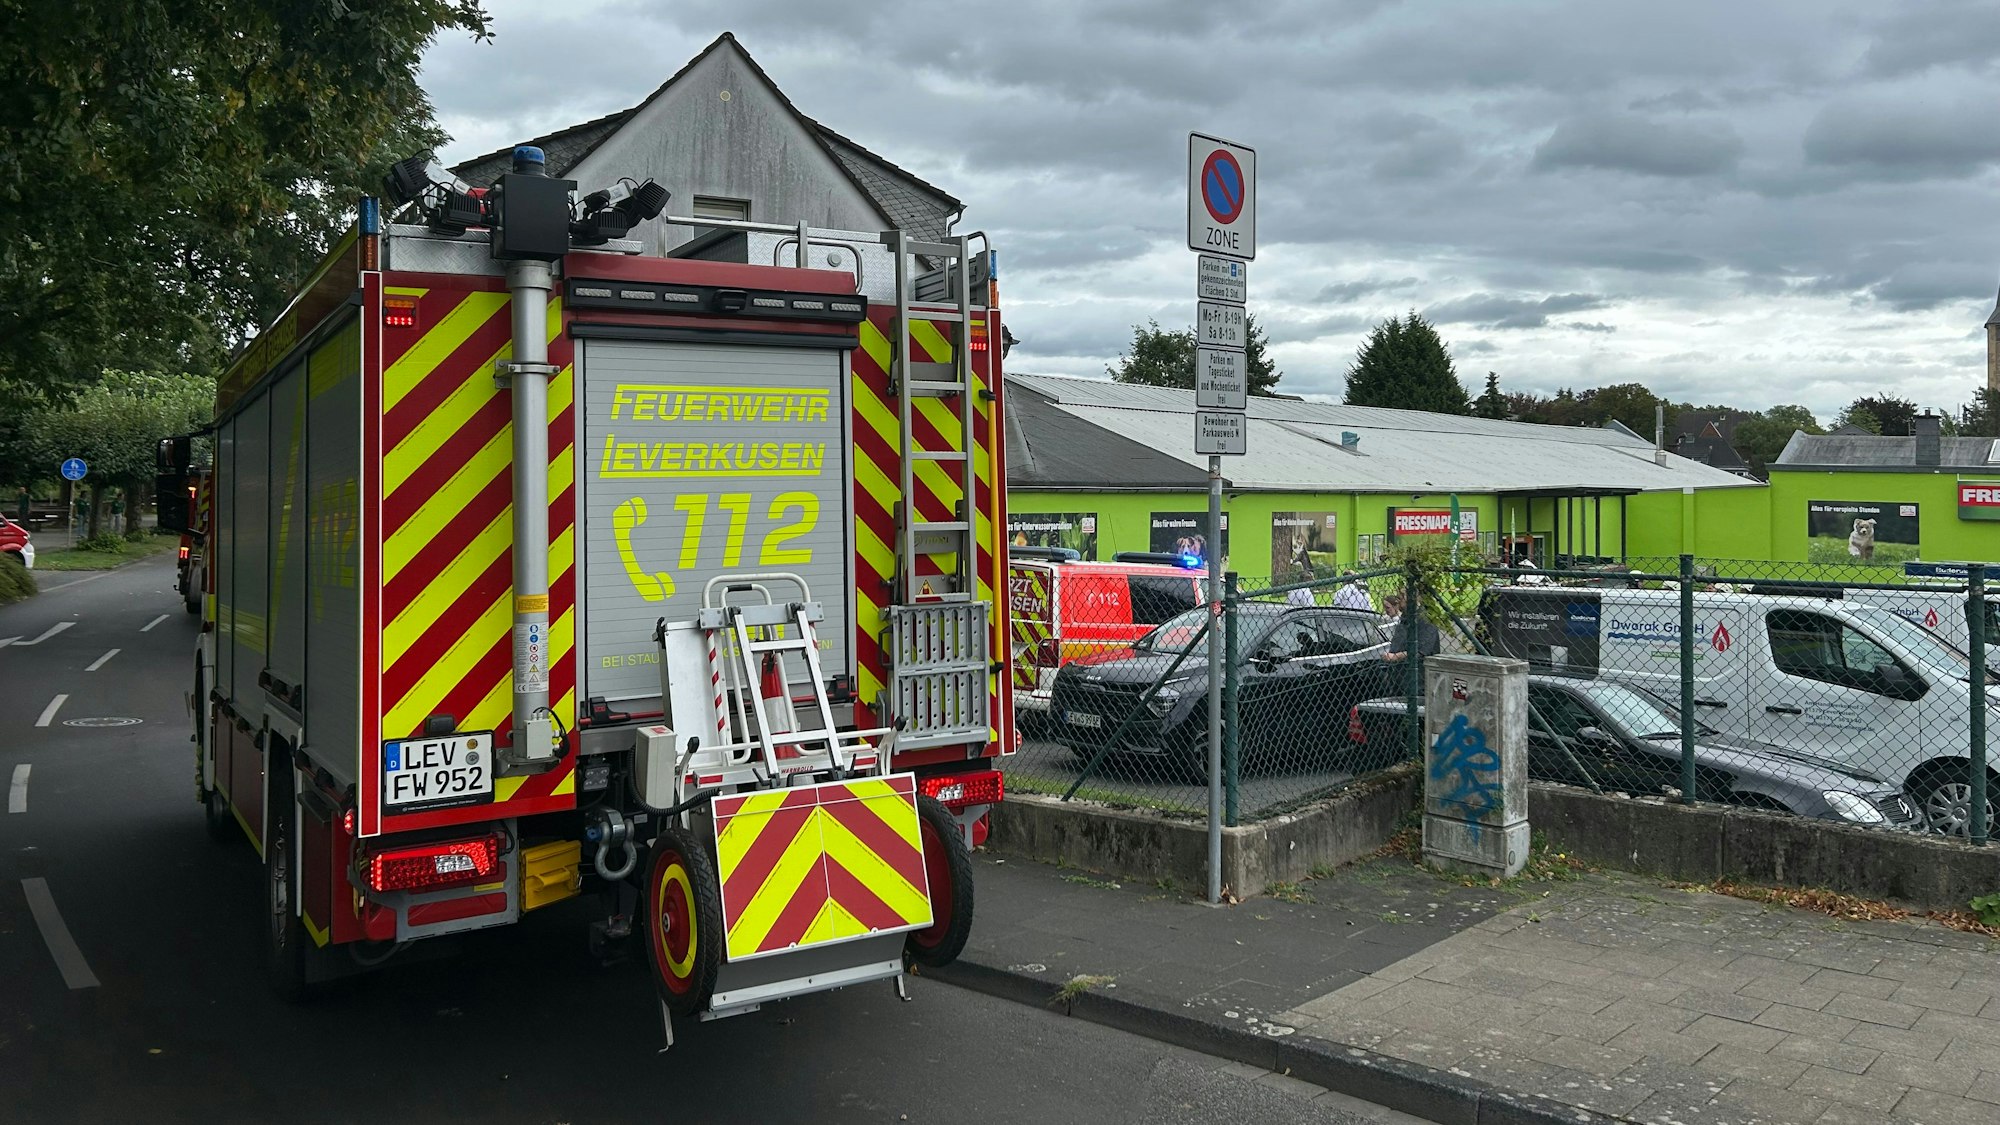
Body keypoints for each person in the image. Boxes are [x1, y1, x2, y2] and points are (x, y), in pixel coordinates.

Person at [1383, 590, 1440, 665]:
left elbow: (1422, 651)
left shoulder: (1425, 619)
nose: (1397, 601)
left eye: (1401, 598)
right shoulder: (1405, 618)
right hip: (1399, 668)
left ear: (1412, 599)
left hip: (1419, 670)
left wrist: (1396, 656)